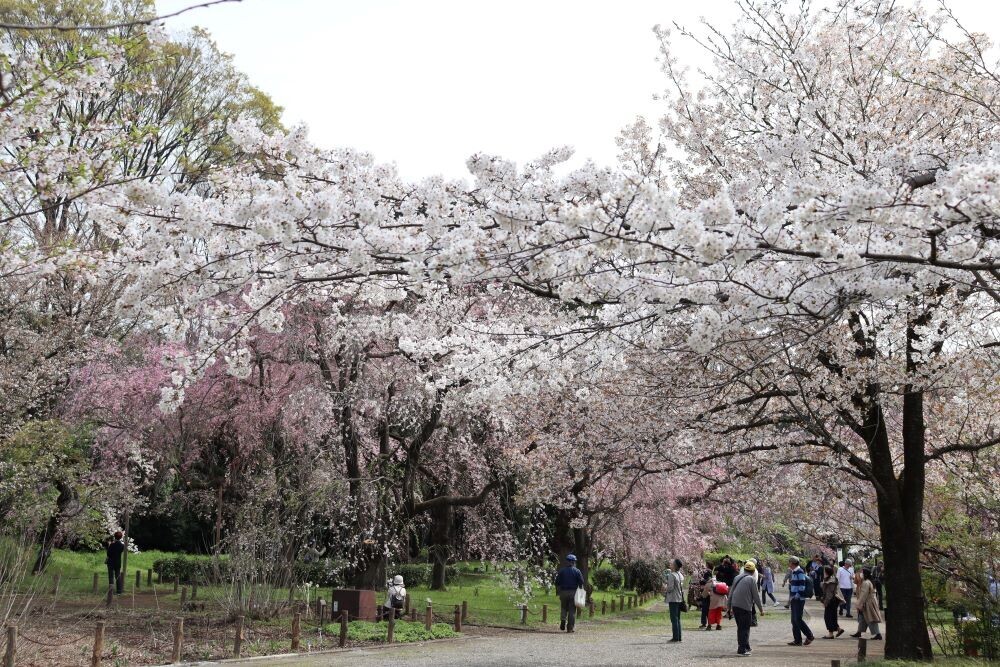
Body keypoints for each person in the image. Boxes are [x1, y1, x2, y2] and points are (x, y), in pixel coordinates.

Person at [729, 561, 765, 657]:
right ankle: (742, 650)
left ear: (744, 569)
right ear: (753, 571)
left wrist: (729, 608)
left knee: (741, 627)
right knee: (745, 628)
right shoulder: (752, 580)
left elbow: (731, 593)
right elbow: (756, 596)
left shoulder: (736, 577)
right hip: (745, 607)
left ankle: (746, 646)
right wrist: (761, 610)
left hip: (735, 606)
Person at [786, 556, 815, 646]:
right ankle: (797, 640)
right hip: (794, 598)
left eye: (789, 562)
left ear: (793, 563)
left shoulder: (799, 572)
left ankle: (809, 635)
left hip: (798, 599)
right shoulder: (794, 572)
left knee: (797, 619)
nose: (789, 564)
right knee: (794, 620)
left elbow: (802, 586)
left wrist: (796, 596)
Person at [554, 554, 585, 633]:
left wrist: (559, 590)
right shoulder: (577, 571)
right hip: (573, 592)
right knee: (572, 610)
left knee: (563, 607)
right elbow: (581, 582)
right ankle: (570, 628)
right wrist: (580, 588)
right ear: (574, 562)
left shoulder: (562, 571)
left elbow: (556, 582)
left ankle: (563, 620)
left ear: (567, 561)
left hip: (563, 592)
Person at [850, 568, 883, 640]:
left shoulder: (866, 582)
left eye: (862, 573)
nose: (860, 574)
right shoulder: (868, 581)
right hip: (869, 602)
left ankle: (878, 634)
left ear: (865, 574)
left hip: (868, 603)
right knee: (863, 617)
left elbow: (863, 595)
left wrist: (859, 603)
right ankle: (859, 632)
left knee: (870, 618)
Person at [820, 565, 846, 639]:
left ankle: (830, 633)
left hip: (831, 600)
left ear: (826, 572)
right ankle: (838, 629)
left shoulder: (830, 581)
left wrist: (826, 602)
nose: (823, 572)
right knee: (833, 616)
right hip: (834, 600)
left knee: (828, 617)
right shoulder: (831, 579)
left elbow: (829, 593)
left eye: (824, 571)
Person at [663, 558, 685, 642]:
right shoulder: (680, 575)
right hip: (679, 598)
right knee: (678, 618)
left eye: (672, 563)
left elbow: (670, 588)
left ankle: (675, 637)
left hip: (673, 598)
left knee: (674, 618)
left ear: (675, 565)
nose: (670, 564)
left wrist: (665, 588)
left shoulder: (672, 575)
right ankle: (679, 637)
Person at [698, 564, 714, 628]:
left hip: (706, 597)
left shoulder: (705, 582)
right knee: (709, 611)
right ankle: (709, 623)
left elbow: (703, 591)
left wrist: (700, 597)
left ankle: (704, 623)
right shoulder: (713, 581)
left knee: (704, 611)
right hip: (711, 597)